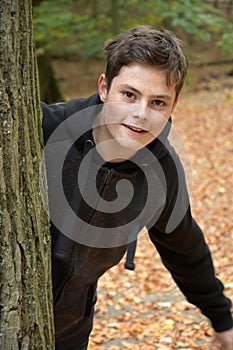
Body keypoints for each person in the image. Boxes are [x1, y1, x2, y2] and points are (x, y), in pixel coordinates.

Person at [41, 25, 233, 349]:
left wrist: (223, 319)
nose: (140, 114)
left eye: (158, 102)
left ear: (173, 106)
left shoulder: (161, 173)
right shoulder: (44, 130)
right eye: (129, 95)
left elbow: (184, 246)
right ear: (104, 87)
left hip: (71, 329)